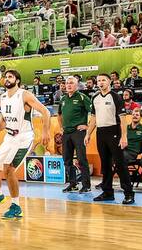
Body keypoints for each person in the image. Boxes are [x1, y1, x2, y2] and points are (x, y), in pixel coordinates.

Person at [0, 70, 51, 219]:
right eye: (5, 77)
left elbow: (46, 112)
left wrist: (46, 132)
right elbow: (4, 120)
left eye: (10, 77)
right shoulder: (2, 97)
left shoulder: (24, 94)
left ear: (17, 80)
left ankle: (16, 206)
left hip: (24, 138)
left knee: (8, 169)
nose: (7, 79)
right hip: (9, 137)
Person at [87, 74, 133, 204]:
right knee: (105, 164)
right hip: (100, 132)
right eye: (99, 80)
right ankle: (107, 192)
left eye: (103, 80)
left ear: (109, 82)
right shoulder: (95, 97)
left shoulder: (115, 97)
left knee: (120, 164)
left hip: (114, 131)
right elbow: (93, 118)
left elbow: (123, 118)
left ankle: (128, 193)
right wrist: (88, 134)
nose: (101, 82)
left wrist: (124, 136)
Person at [57, 75, 93, 193]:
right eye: (67, 83)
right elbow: (59, 115)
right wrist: (61, 127)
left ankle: (86, 185)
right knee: (66, 160)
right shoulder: (63, 99)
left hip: (78, 133)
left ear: (77, 85)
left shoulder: (83, 97)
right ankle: (73, 184)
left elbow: (94, 113)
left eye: (71, 83)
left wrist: (87, 126)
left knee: (82, 159)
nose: (69, 85)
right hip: (66, 133)